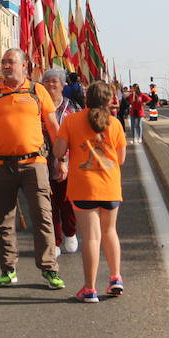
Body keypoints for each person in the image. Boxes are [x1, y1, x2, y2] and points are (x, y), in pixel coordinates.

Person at [0, 49, 63, 289]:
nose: (6, 66)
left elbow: (53, 128)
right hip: (0, 165)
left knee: (43, 217)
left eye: (11, 62)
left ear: (24, 66)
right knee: (3, 220)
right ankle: (8, 269)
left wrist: (62, 159)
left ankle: (49, 269)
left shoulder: (37, 90)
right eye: (3, 62)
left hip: (34, 163)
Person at [52, 80, 127, 302]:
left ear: (86, 99)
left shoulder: (71, 121)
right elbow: (121, 159)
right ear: (109, 100)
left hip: (83, 187)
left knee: (92, 238)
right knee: (110, 232)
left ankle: (89, 289)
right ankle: (115, 278)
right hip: (110, 186)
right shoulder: (115, 124)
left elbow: (58, 151)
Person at [40, 68, 81, 254]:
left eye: (54, 81)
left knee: (67, 201)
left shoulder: (72, 108)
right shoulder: (36, 107)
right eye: (47, 81)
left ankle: (70, 232)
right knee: (48, 204)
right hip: (42, 162)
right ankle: (55, 240)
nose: (50, 85)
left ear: (63, 84)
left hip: (68, 162)